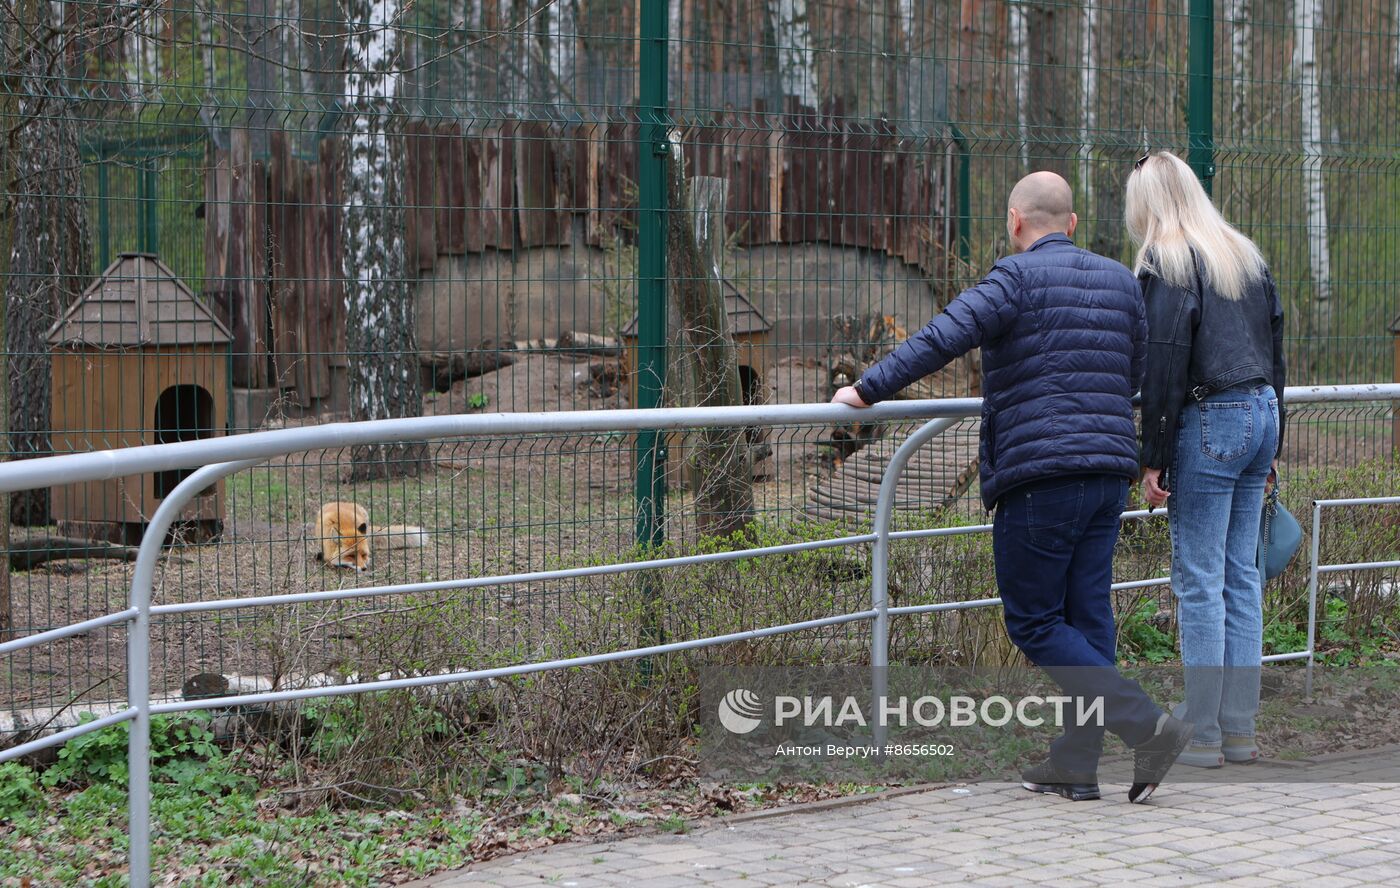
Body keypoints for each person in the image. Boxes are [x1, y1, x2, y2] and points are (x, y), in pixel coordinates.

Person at [832, 171, 1192, 803]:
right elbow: (1132, 370)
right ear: (1073, 224)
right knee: (1087, 618)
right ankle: (1076, 767)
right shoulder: (1119, 281)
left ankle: (1147, 726)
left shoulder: (1013, 278)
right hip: (1109, 470)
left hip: (1040, 476)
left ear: (1015, 221)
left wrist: (865, 389)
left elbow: (942, 336)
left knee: (1033, 622)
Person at [1130, 152, 1285, 769]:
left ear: (1148, 202)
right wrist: (1274, 444)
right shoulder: (1241, 253)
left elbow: (1164, 365)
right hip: (1261, 413)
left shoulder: (1165, 262)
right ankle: (1240, 730)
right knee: (1241, 575)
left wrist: (1152, 457)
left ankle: (1204, 734)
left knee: (1198, 581)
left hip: (1210, 419)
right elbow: (1276, 352)